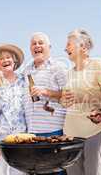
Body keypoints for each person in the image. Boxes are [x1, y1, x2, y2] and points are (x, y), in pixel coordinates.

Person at [61, 29, 101, 175]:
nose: (65, 48)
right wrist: (64, 101)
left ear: (83, 47)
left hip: (96, 131)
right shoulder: (69, 73)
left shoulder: (97, 64)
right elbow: (67, 102)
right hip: (71, 136)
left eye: (69, 44)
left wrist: (81, 97)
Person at [24, 32, 67, 175]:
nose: (37, 46)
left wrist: (46, 92)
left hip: (53, 132)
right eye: (33, 43)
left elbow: (69, 95)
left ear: (49, 47)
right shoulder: (26, 70)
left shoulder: (58, 67)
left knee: (55, 171)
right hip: (32, 134)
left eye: (40, 43)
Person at [0, 44, 27, 175]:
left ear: (14, 61)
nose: (5, 60)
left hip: (21, 136)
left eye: (8, 57)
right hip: (0, 136)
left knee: (19, 172)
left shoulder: (24, 80)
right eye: (1, 59)